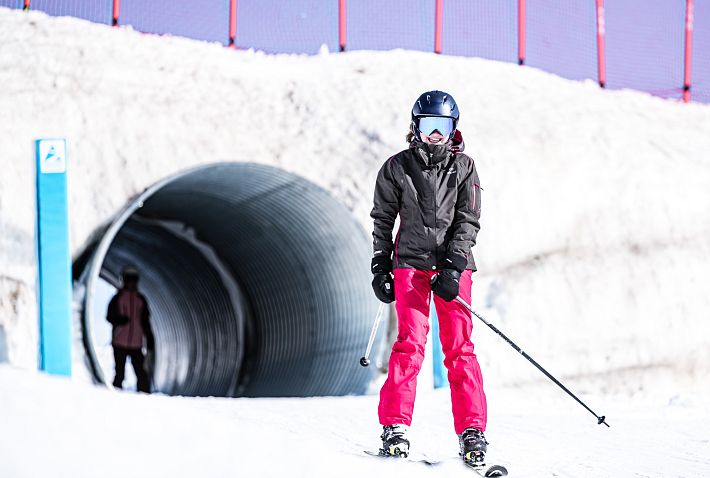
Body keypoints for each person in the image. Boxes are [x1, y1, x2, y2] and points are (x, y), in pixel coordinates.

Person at [370, 90, 488, 467]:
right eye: (427, 127)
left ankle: (472, 430)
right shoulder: (396, 167)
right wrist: (380, 265)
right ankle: (395, 426)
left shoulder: (464, 167)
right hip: (411, 264)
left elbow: (468, 219)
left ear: (453, 129)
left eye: (442, 127)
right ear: (415, 128)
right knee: (409, 344)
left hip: (454, 267)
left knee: (459, 348)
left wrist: (453, 266)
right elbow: (383, 220)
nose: (434, 135)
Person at [106, 265, 155, 393]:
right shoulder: (117, 298)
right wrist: (119, 320)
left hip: (136, 343)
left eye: (134, 279)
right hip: (119, 342)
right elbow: (109, 316)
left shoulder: (141, 300)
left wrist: (150, 338)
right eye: (129, 279)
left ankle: (145, 398)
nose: (131, 282)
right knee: (120, 373)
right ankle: (115, 397)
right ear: (124, 280)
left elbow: (145, 321)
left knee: (141, 373)